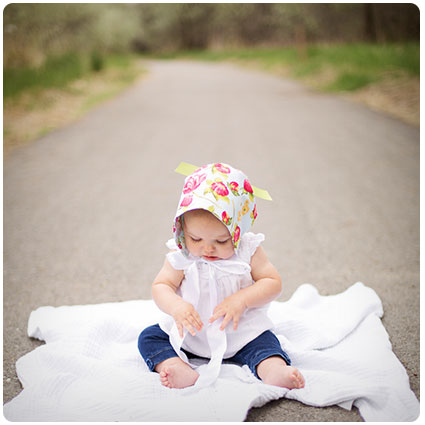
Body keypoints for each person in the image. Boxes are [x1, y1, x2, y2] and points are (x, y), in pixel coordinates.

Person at [138, 162, 305, 390]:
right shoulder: (182, 254)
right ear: (182, 230)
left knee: (265, 343)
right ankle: (175, 365)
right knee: (149, 338)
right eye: (196, 239)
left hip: (241, 332)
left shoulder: (248, 250)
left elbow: (272, 282)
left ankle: (273, 370)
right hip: (191, 333)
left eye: (221, 241)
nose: (207, 249)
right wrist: (176, 306)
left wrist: (242, 299)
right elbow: (161, 285)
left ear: (239, 229)